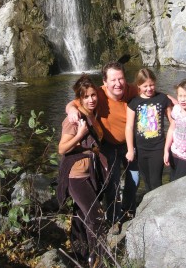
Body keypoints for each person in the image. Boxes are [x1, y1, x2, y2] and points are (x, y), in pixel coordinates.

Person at [66, 61, 139, 234]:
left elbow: (154, 92)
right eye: (113, 80)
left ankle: (129, 210)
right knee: (111, 182)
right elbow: (74, 103)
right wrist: (70, 110)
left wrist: (175, 103)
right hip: (108, 145)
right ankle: (113, 218)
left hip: (130, 143)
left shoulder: (131, 89)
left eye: (120, 79)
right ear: (105, 82)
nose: (118, 83)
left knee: (134, 179)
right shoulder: (97, 94)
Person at [57, 74, 108, 266]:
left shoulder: (91, 113)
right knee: (96, 217)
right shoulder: (74, 119)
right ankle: (99, 259)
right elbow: (62, 149)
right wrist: (80, 134)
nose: (91, 99)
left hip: (90, 172)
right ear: (80, 99)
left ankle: (79, 255)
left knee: (80, 215)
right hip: (76, 176)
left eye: (93, 95)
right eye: (86, 97)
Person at [125, 68, 173, 192]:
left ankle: (159, 207)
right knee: (146, 181)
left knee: (156, 180)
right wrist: (130, 150)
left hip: (158, 147)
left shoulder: (162, 99)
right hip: (140, 148)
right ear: (138, 86)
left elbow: (173, 122)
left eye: (151, 85)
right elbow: (129, 127)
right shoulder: (133, 102)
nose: (149, 88)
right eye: (145, 86)